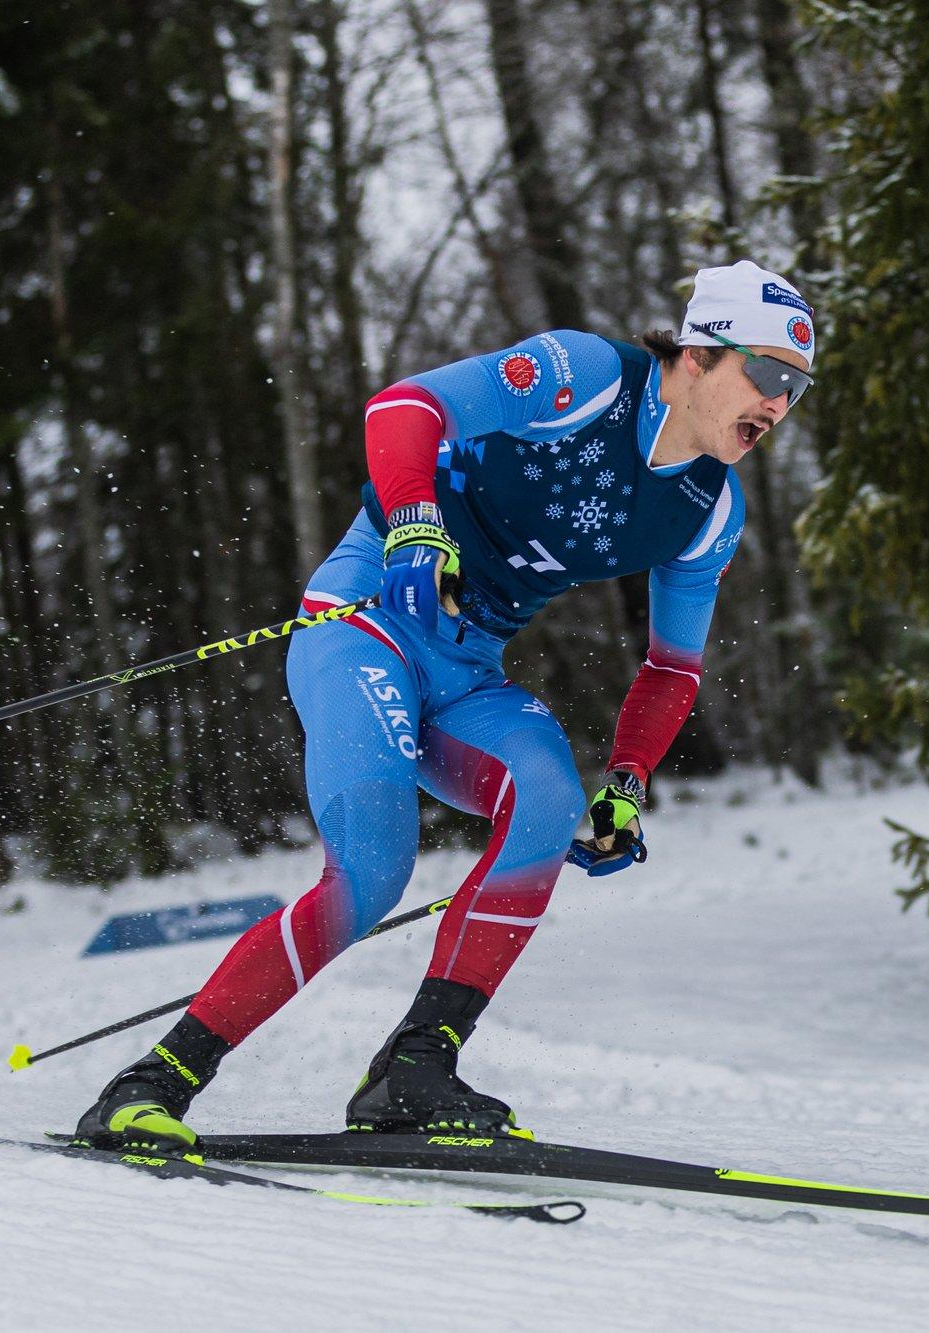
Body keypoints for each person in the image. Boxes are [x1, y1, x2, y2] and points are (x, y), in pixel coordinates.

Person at [74, 260, 815, 1150]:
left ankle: (415, 1068)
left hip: (466, 664)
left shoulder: (708, 510)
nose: (778, 404)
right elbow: (401, 409)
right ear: (699, 354)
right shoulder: (586, 378)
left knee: (547, 799)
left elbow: (670, 667)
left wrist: (626, 780)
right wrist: (418, 522)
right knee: (374, 870)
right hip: (369, 617)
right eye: (768, 374)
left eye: (797, 389)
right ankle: (152, 1080)